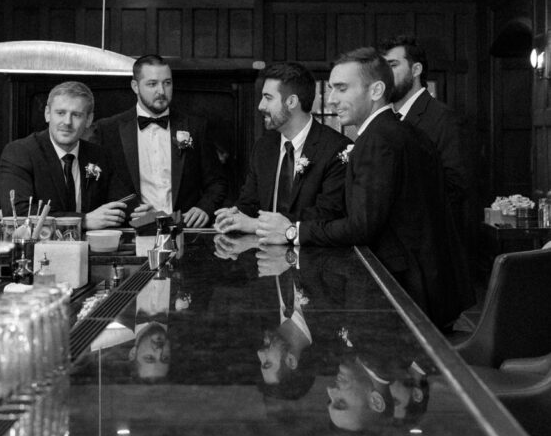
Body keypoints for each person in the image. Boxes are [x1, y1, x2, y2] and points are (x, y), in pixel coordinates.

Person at [256, 47, 473, 330]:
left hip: (410, 291)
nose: (332, 99)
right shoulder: (400, 130)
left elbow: (361, 227)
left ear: (376, 90)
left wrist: (291, 231)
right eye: (331, 89)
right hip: (434, 283)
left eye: (342, 88)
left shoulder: (378, 140)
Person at [215, 62, 346, 240]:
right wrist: (234, 215)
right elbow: (249, 202)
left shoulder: (336, 149)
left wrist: (257, 225)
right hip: (263, 251)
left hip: (312, 252)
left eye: (268, 98)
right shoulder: (263, 147)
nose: (261, 106)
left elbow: (328, 213)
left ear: (291, 102)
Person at [93, 54, 227, 228]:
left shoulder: (196, 127)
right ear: (135, 86)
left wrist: (204, 208)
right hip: (131, 231)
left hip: (184, 230)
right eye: (152, 84)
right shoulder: (108, 129)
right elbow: (98, 186)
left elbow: (217, 182)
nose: (162, 91)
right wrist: (130, 210)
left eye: (167, 83)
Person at [0, 80, 127, 229]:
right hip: (40, 243)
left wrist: (136, 213)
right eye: (60, 113)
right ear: (47, 114)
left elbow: (120, 203)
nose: (67, 122)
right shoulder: (20, 153)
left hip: (93, 244)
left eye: (76, 115)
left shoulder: (99, 155)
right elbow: (16, 213)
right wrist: (83, 220)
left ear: (88, 120)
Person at [379, 33, 467, 227]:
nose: (385, 75)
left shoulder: (442, 117)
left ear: (416, 69)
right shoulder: (388, 118)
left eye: (393, 65)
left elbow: (456, 185)